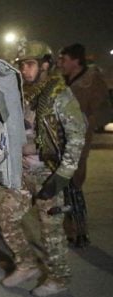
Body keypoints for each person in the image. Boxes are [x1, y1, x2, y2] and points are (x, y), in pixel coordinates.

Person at [0, 40, 86, 297]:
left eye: (30, 64)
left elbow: (76, 136)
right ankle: (26, 264)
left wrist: (62, 176)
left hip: (50, 172)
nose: (24, 70)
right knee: (7, 216)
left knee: (51, 231)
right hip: (24, 173)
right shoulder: (24, 94)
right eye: (22, 65)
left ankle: (59, 278)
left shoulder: (59, 95)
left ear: (45, 65)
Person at [57, 43, 111, 246]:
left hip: (78, 143)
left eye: (64, 59)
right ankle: (68, 229)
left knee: (74, 187)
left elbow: (104, 110)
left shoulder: (92, 81)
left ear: (76, 61)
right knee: (64, 188)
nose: (60, 63)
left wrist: (85, 120)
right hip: (59, 142)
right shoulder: (61, 80)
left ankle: (79, 231)